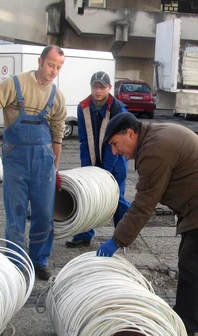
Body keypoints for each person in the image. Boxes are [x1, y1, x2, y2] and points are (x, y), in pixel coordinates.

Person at [95, 112, 198, 336]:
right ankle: (185, 319)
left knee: (196, 265)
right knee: (191, 262)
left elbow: (144, 204)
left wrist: (117, 240)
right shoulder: (152, 138)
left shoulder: (153, 151)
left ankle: (187, 328)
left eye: (115, 143)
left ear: (131, 133)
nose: (115, 151)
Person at [0, 45, 67, 280]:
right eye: (50, 65)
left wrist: (55, 168)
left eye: (58, 67)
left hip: (44, 165)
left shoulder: (57, 96)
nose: (53, 71)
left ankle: (39, 261)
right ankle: (15, 262)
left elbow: (57, 135)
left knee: (44, 214)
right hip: (16, 161)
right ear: (40, 62)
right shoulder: (16, 84)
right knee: (15, 212)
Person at [65, 71, 130, 248]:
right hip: (93, 159)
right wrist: (87, 168)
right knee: (88, 195)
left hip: (116, 161)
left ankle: (123, 236)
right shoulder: (83, 107)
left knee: (116, 198)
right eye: (95, 86)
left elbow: (115, 142)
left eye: (102, 87)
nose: (98, 90)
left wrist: (105, 171)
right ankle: (84, 235)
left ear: (109, 88)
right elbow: (84, 139)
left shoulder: (117, 108)